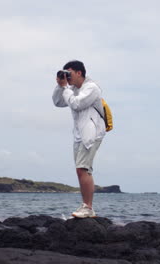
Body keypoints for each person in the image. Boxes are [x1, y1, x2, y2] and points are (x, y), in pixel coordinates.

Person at [52, 60, 106, 218]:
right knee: (80, 170)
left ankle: (87, 207)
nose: (67, 77)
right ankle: (86, 207)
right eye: (65, 74)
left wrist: (66, 89)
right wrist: (60, 86)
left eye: (68, 74)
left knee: (83, 169)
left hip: (91, 133)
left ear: (79, 73)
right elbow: (58, 102)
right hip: (79, 135)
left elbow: (76, 104)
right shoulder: (73, 89)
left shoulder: (91, 88)